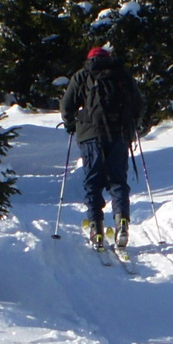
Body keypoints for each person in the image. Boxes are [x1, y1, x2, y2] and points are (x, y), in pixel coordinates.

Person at [60, 45, 145, 251]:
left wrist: (71, 125)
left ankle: (96, 228)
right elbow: (140, 105)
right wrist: (133, 126)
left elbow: (66, 106)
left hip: (90, 135)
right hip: (119, 134)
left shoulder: (83, 75)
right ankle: (121, 222)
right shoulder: (122, 75)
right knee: (117, 180)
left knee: (93, 182)